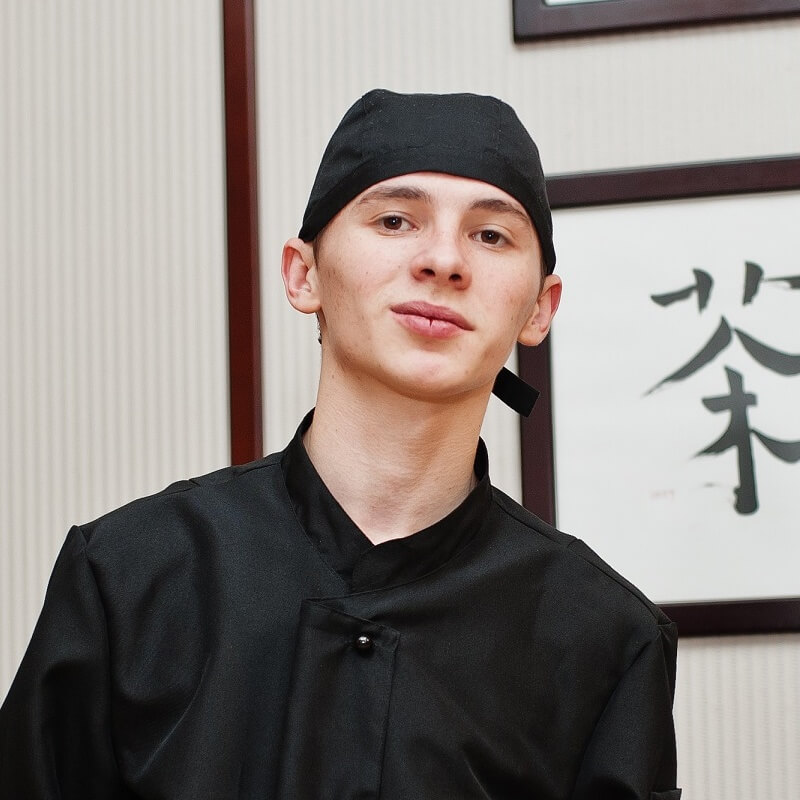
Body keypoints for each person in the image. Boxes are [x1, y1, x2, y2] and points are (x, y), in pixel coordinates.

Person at [0, 89, 681, 799]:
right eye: (395, 220)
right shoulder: (130, 577)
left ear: (540, 307)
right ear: (304, 274)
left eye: (490, 235)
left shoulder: (604, 638)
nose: (444, 260)